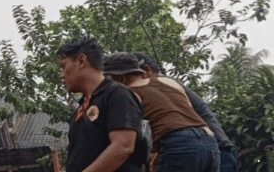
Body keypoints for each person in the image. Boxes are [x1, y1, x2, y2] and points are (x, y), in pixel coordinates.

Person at [103, 52, 219, 172]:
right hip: (210, 143)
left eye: (109, 78)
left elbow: (132, 138)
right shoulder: (167, 82)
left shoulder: (128, 93)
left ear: (120, 78)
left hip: (177, 143)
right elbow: (188, 110)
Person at [131, 52, 237, 172]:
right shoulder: (170, 85)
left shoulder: (161, 83)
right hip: (216, 148)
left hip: (210, 148)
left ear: (147, 71)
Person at [57, 36, 145, 172]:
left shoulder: (117, 94)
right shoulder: (81, 107)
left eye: (63, 67)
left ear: (81, 61)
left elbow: (123, 146)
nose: (61, 75)